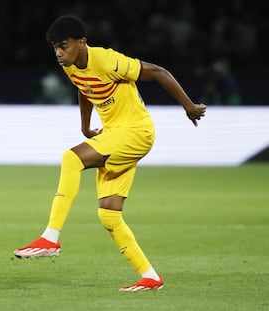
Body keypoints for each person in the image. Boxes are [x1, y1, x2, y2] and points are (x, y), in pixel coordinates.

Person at [13, 15, 206, 292]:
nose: (58, 53)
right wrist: (85, 127)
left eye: (63, 46)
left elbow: (160, 72)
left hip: (136, 132)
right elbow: (85, 89)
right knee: (109, 214)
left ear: (82, 43)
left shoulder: (107, 60)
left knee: (72, 158)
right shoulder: (70, 65)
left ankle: (50, 237)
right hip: (114, 134)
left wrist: (188, 107)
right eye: (55, 47)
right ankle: (151, 277)